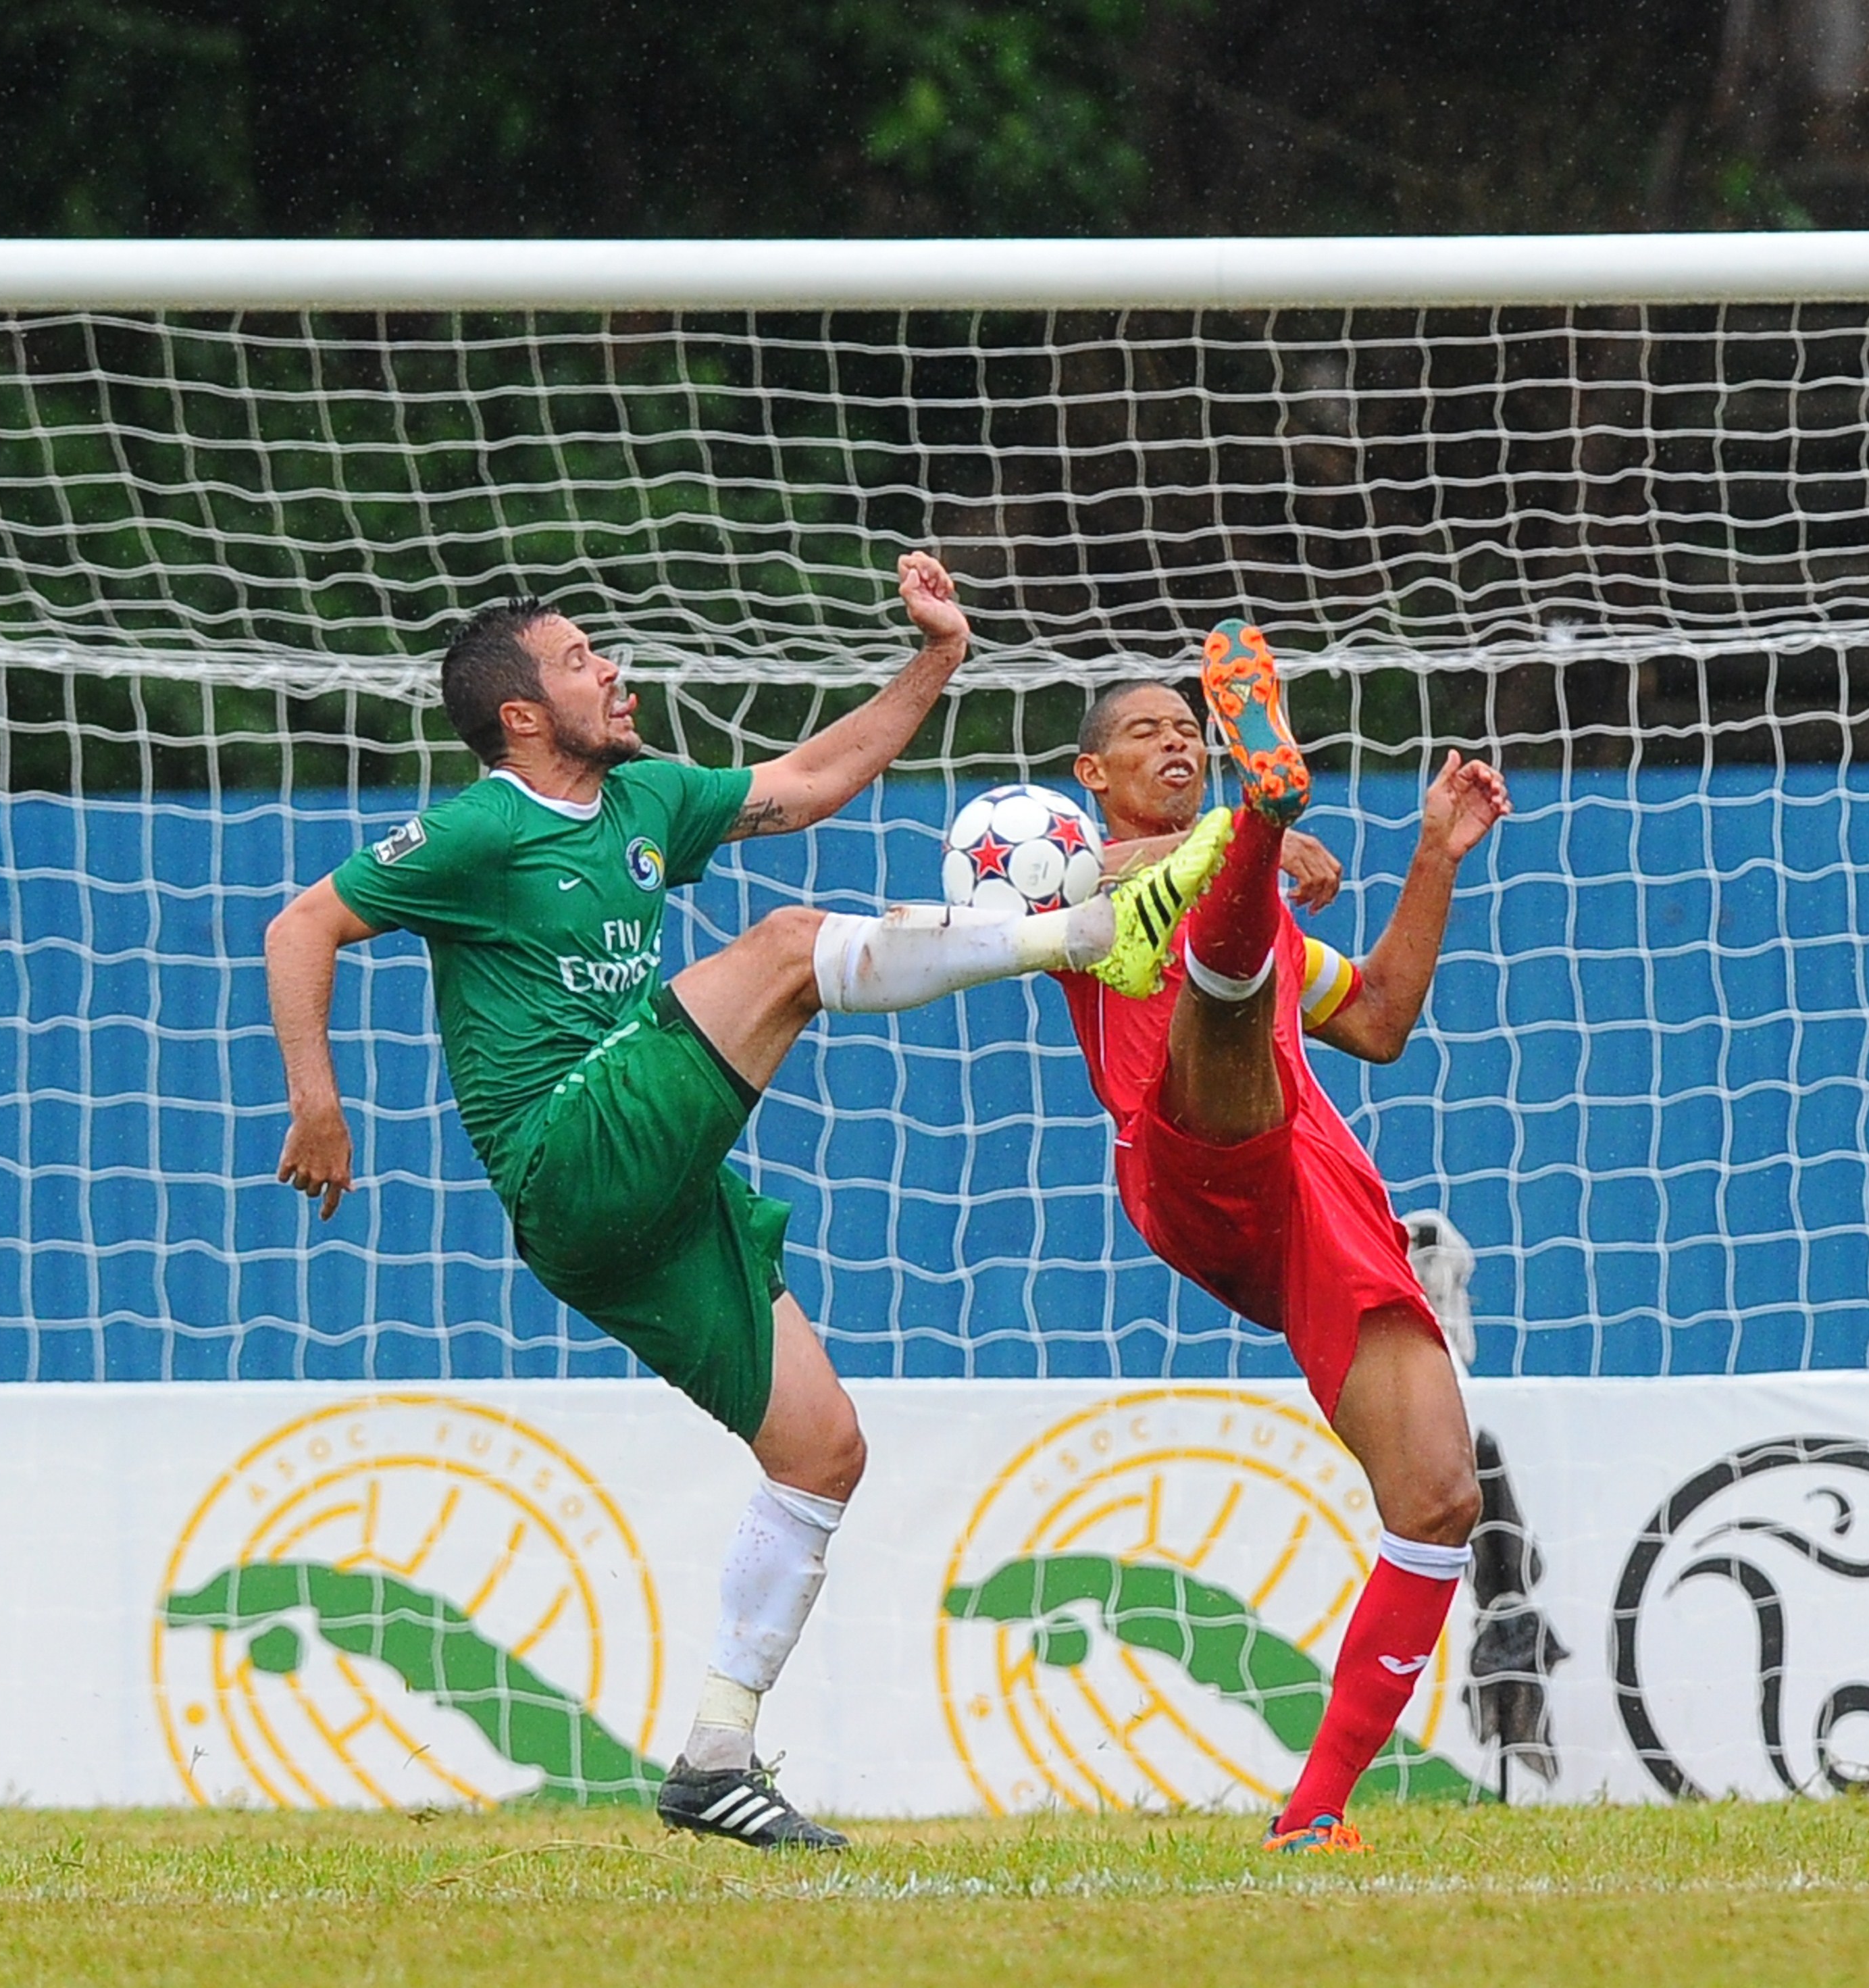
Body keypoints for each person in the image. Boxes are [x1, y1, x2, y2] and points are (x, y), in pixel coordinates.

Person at [265, 555, 1227, 1850]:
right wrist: (319, 1103)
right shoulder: (482, 829)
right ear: (524, 719)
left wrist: (939, 657)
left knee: (823, 1450)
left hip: (647, 1205)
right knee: (784, 952)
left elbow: (815, 780)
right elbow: (300, 928)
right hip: (567, 1148)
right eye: (581, 660)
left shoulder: (652, 796)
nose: (614, 670)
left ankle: (714, 1757)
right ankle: (1072, 931)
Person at [1061, 620, 1512, 1853]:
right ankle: (1273, 814)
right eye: (1148, 730)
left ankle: (1311, 1817)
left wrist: (1435, 855)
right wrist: (1242, 840)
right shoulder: (1068, 870)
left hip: (1320, 1197)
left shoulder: (1236, 905)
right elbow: (1108, 891)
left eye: (1192, 731)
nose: (1176, 742)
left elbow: (1377, 1023)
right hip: (1188, 1159)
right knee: (1232, 976)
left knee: (1436, 1498)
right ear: (1090, 771)